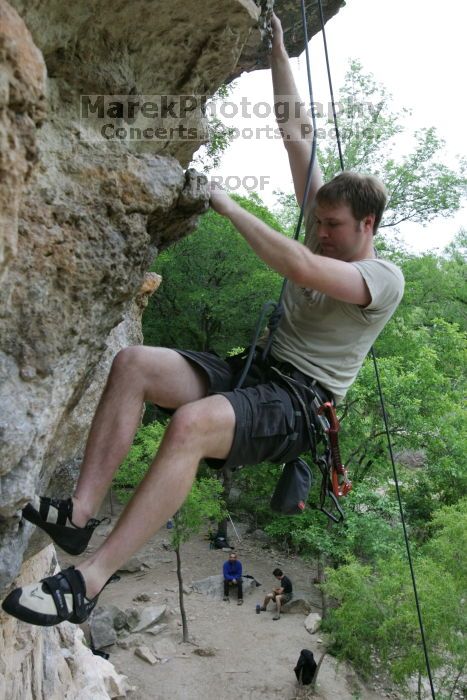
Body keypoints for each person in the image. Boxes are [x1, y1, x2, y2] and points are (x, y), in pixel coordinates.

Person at [2, 13, 404, 627]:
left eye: (333, 227)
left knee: (190, 425)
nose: (321, 234)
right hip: (256, 371)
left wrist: (224, 201)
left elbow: (297, 264)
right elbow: (297, 132)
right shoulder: (329, 225)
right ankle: (78, 516)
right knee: (135, 364)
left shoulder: (381, 279)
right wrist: (276, 50)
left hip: (299, 403)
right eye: (318, 222)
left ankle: (87, 579)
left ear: (367, 226)